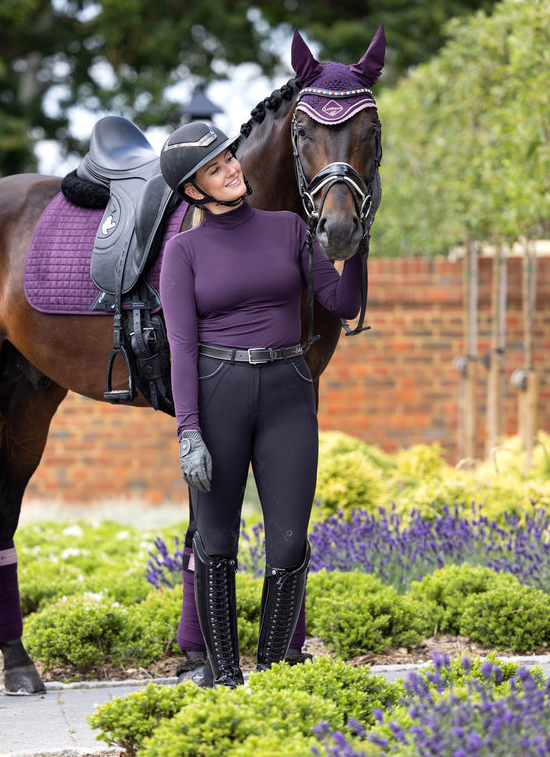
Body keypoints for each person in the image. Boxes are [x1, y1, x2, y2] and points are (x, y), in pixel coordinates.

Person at [157, 120, 366, 688]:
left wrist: (358, 244)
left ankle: (274, 674)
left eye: (229, 158)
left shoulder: (289, 230)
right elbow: (180, 348)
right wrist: (188, 431)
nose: (231, 169)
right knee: (215, 540)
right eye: (214, 168)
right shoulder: (183, 252)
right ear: (194, 190)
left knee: (291, 540)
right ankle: (224, 676)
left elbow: (340, 301)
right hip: (218, 390)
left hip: (288, 392)